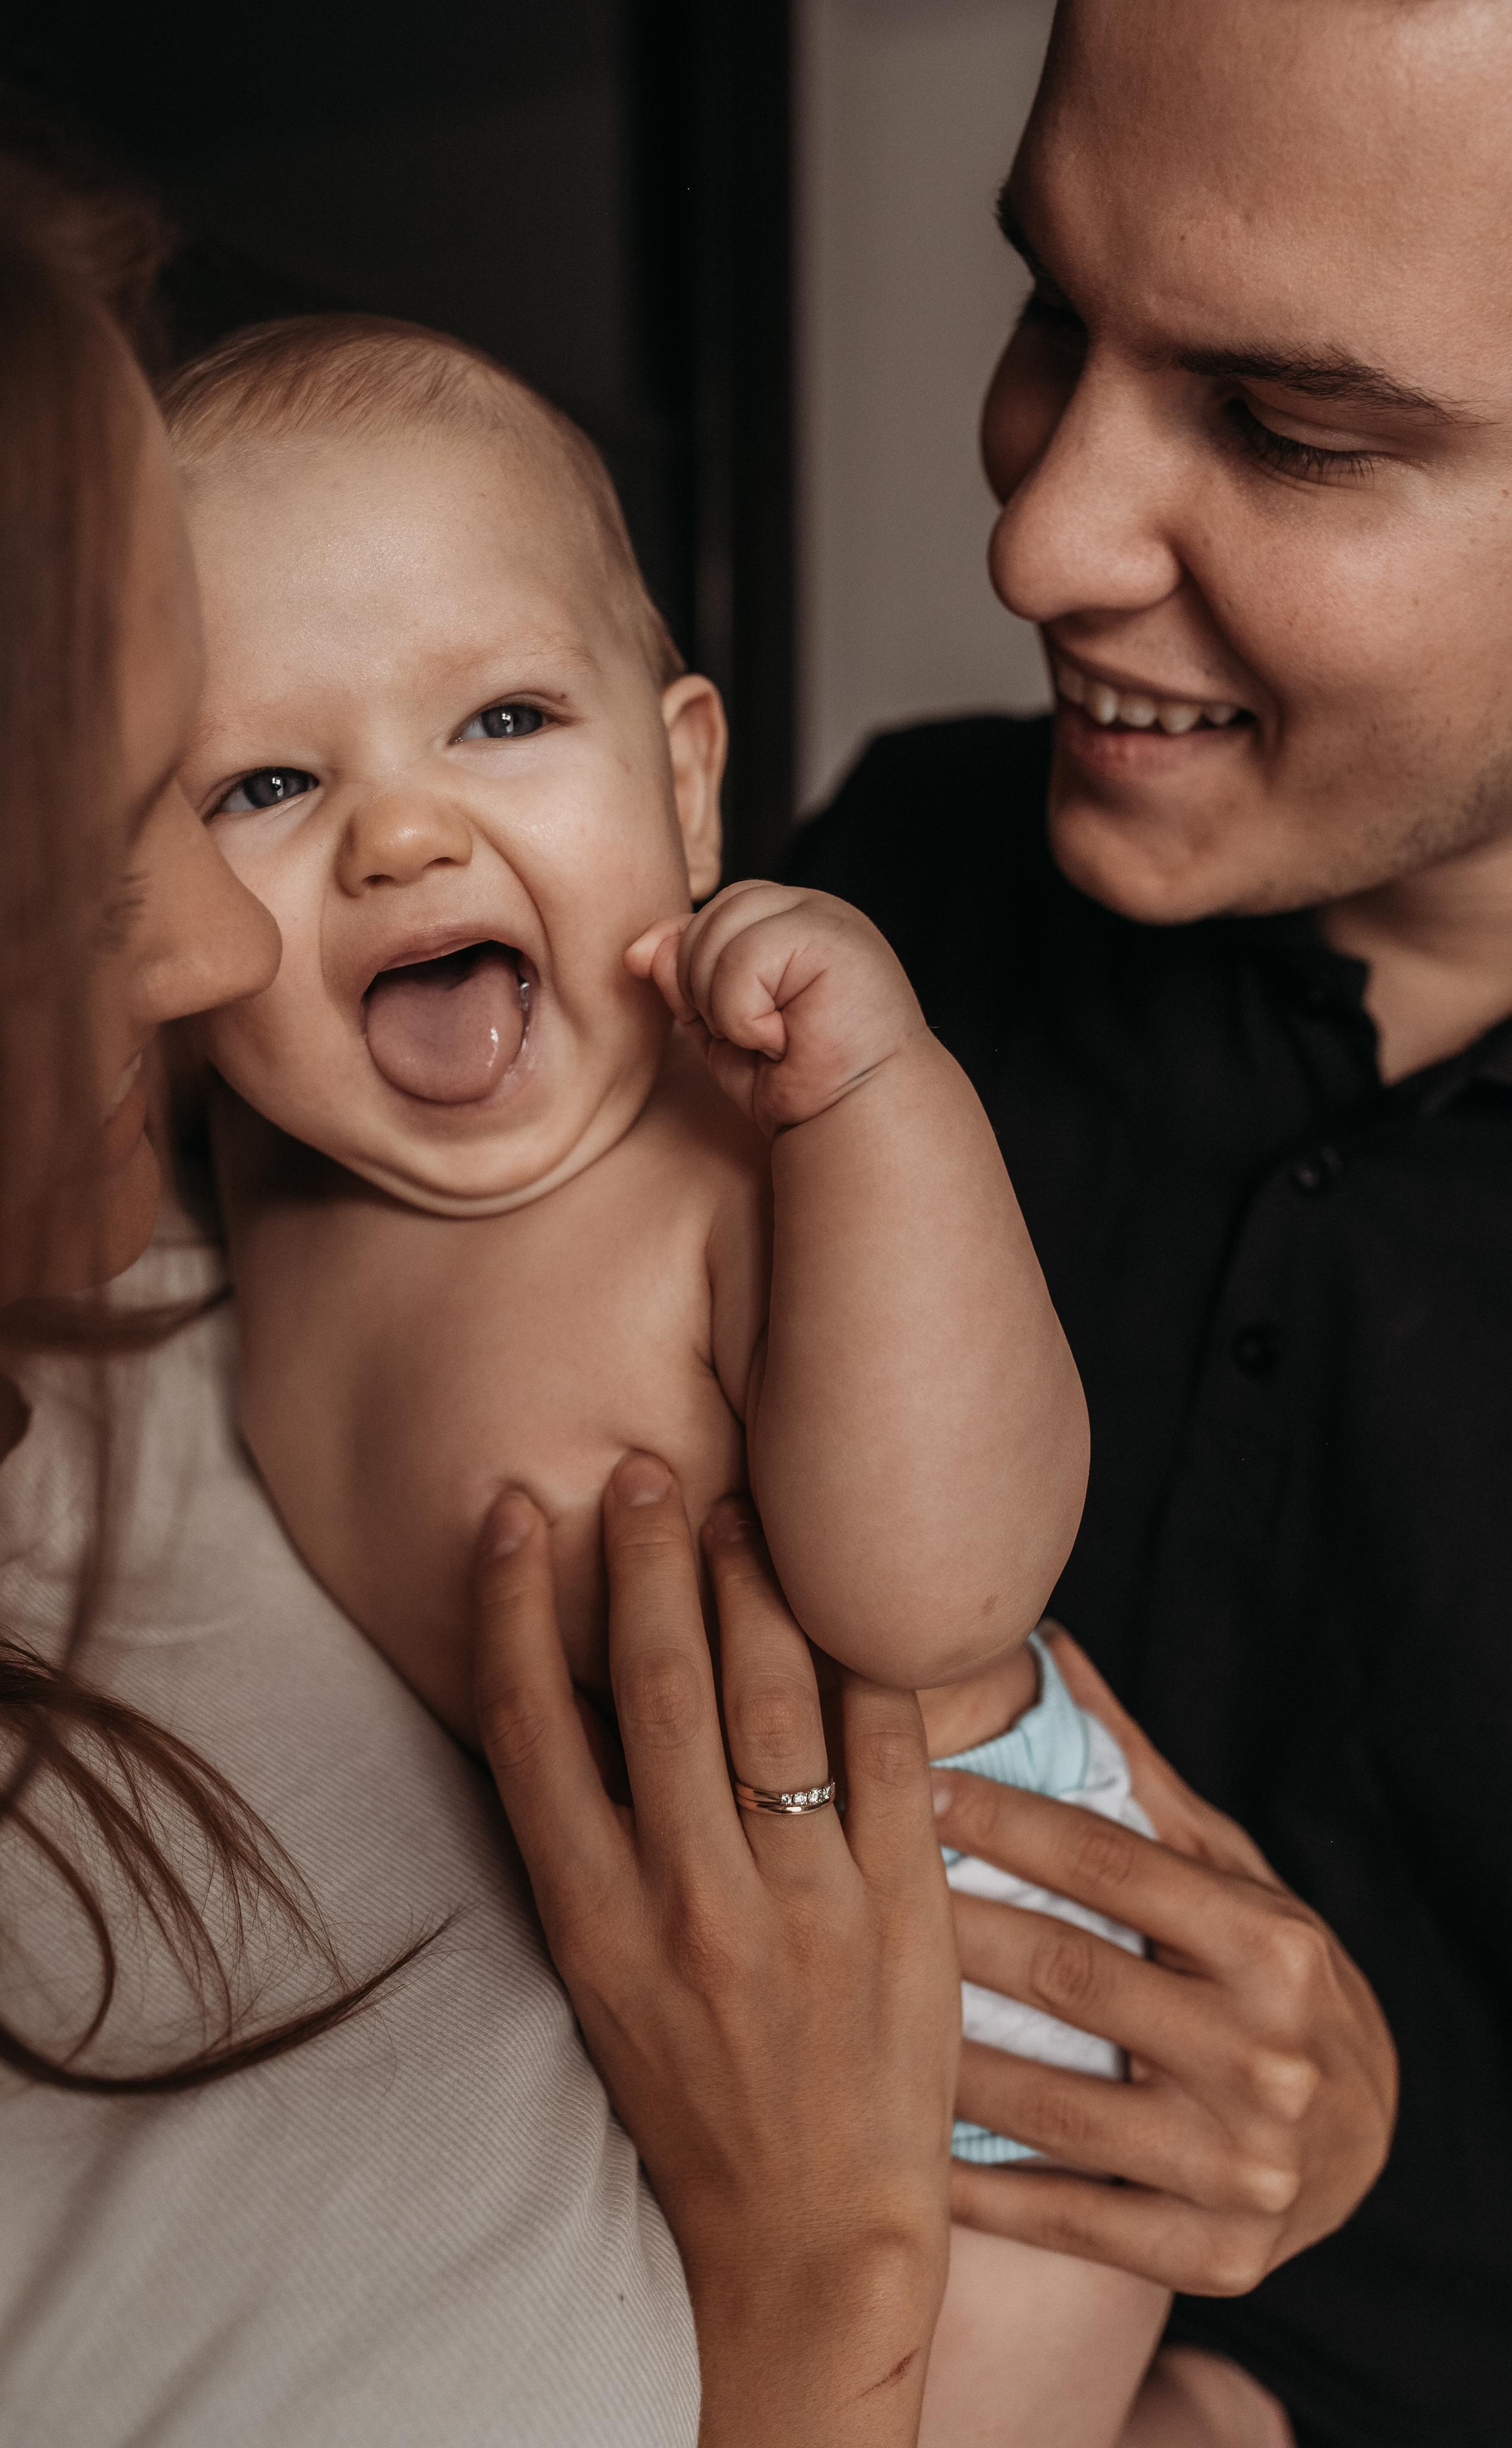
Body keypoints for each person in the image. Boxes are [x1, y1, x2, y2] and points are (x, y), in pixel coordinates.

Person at [0, 91, 964, 2448]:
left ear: (690, 773)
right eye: (159, 821)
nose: (216, 938)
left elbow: (953, 1567)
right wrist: (833, 2296)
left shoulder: (158, 1268)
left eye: (196, 784)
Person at [154, 307, 1174, 2441]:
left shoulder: (735, 1163)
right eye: (268, 779)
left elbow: (941, 1591)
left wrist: (880, 1099)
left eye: (503, 717)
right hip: (658, 1998)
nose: (402, 840)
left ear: (688, 775)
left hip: (970, 1977)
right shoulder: (263, 1164)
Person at [789, 1, 1512, 2441]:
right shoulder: (867, 912)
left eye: (1289, 433)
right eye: (1045, 321)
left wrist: (1375, 2208)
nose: (1036, 536)